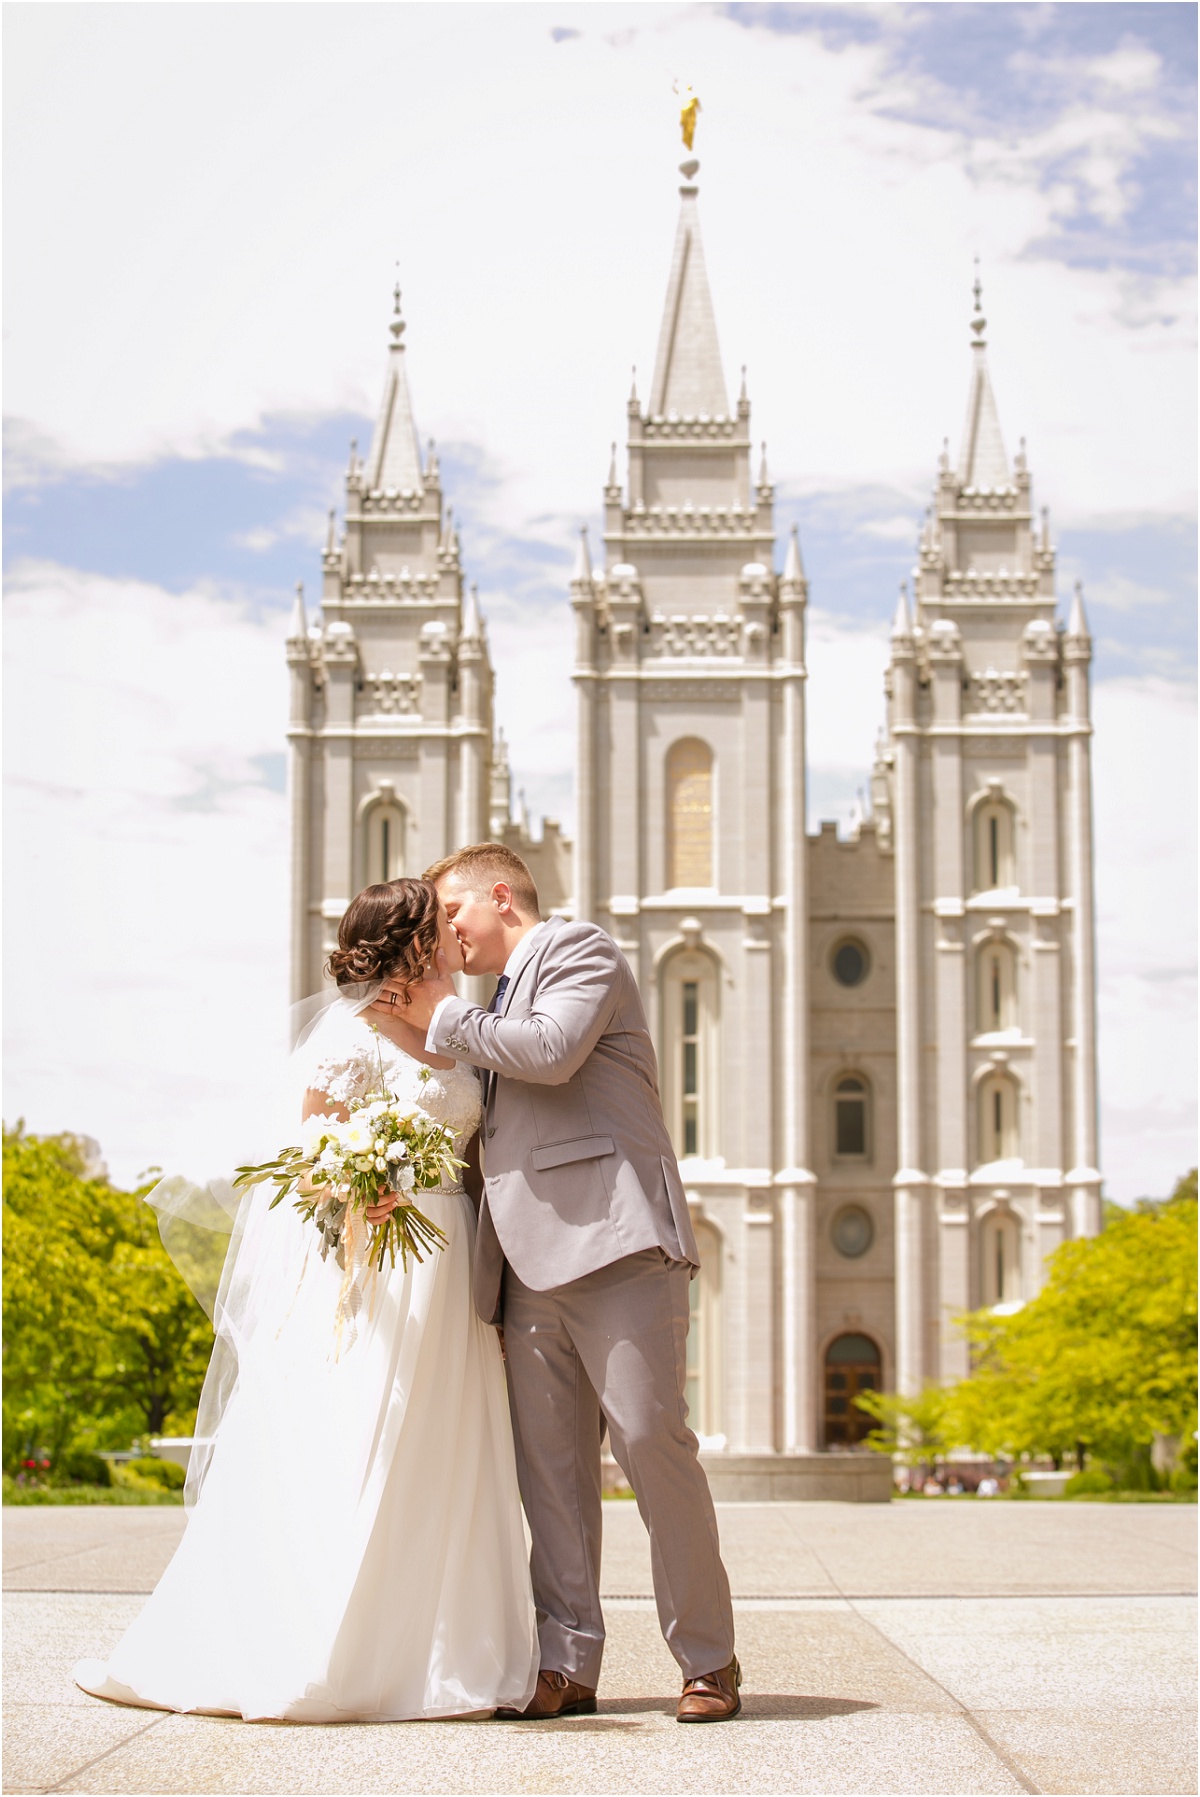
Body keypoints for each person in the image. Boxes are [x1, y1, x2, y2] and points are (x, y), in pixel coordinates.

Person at [74, 879, 538, 1723]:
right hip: (376, 1272)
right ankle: (322, 1640)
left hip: (454, 1267)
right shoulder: (348, 1043)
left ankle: (442, 1646)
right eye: (439, 927)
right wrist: (366, 1188)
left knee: (447, 1443)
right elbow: (308, 1171)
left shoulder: (462, 1038)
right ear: (409, 942)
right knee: (364, 1432)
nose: (453, 939)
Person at [371, 842, 740, 1724]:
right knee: (553, 1475)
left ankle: (708, 1658)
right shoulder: (490, 1002)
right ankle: (568, 1664)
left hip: (615, 1246)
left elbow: (554, 1051)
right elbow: (494, 1133)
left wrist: (436, 1013)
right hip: (524, 1265)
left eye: (454, 914)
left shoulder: (581, 950)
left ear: (503, 897)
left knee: (653, 1444)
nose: (448, 936)